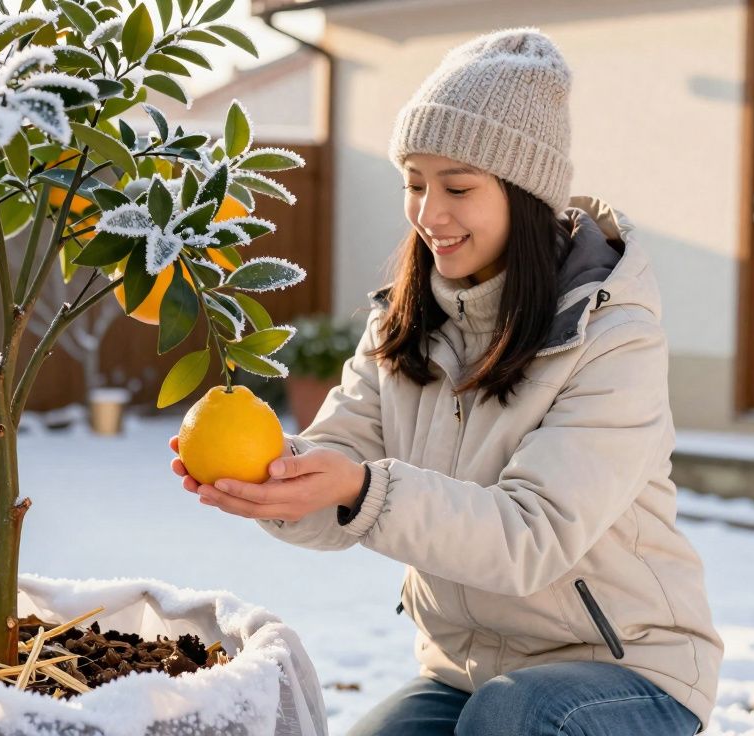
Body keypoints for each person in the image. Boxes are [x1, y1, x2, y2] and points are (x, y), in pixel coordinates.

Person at [168, 27, 723, 735]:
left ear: (525, 196)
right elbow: (338, 464)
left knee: (512, 715)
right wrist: (276, 483)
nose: (430, 213)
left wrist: (363, 488)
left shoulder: (612, 335)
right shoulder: (405, 325)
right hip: (466, 673)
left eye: (458, 186)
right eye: (414, 183)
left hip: (630, 674)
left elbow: (533, 533)